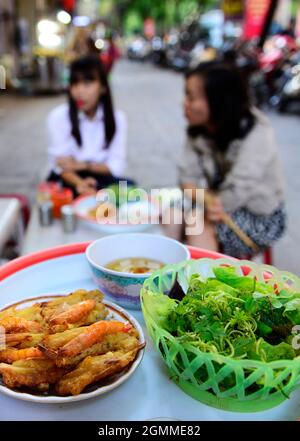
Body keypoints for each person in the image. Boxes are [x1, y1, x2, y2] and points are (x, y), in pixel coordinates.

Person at [166, 61, 286, 258]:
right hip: (216, 200)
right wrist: (207, 199)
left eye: (191, 97)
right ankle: (165, 276)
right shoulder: (198, 130)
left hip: (261, 216)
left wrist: (208, 202)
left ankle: (205, 285)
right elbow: (186, 179)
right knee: (171, 215)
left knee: (197, 222)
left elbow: (236, 192)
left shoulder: (257, 131)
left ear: (218, 101)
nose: (184, 103)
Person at [47, 56, 132, 197]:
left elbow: (116, 166)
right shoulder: (58, 117)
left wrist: (85, 165)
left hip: (100, 176)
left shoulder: (117, 119)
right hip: (69, 179)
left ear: (103, 87)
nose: (79, 91)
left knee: (131, 190)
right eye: (74, 84)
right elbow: (62, 167)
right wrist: (81, 184)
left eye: (87, 83)